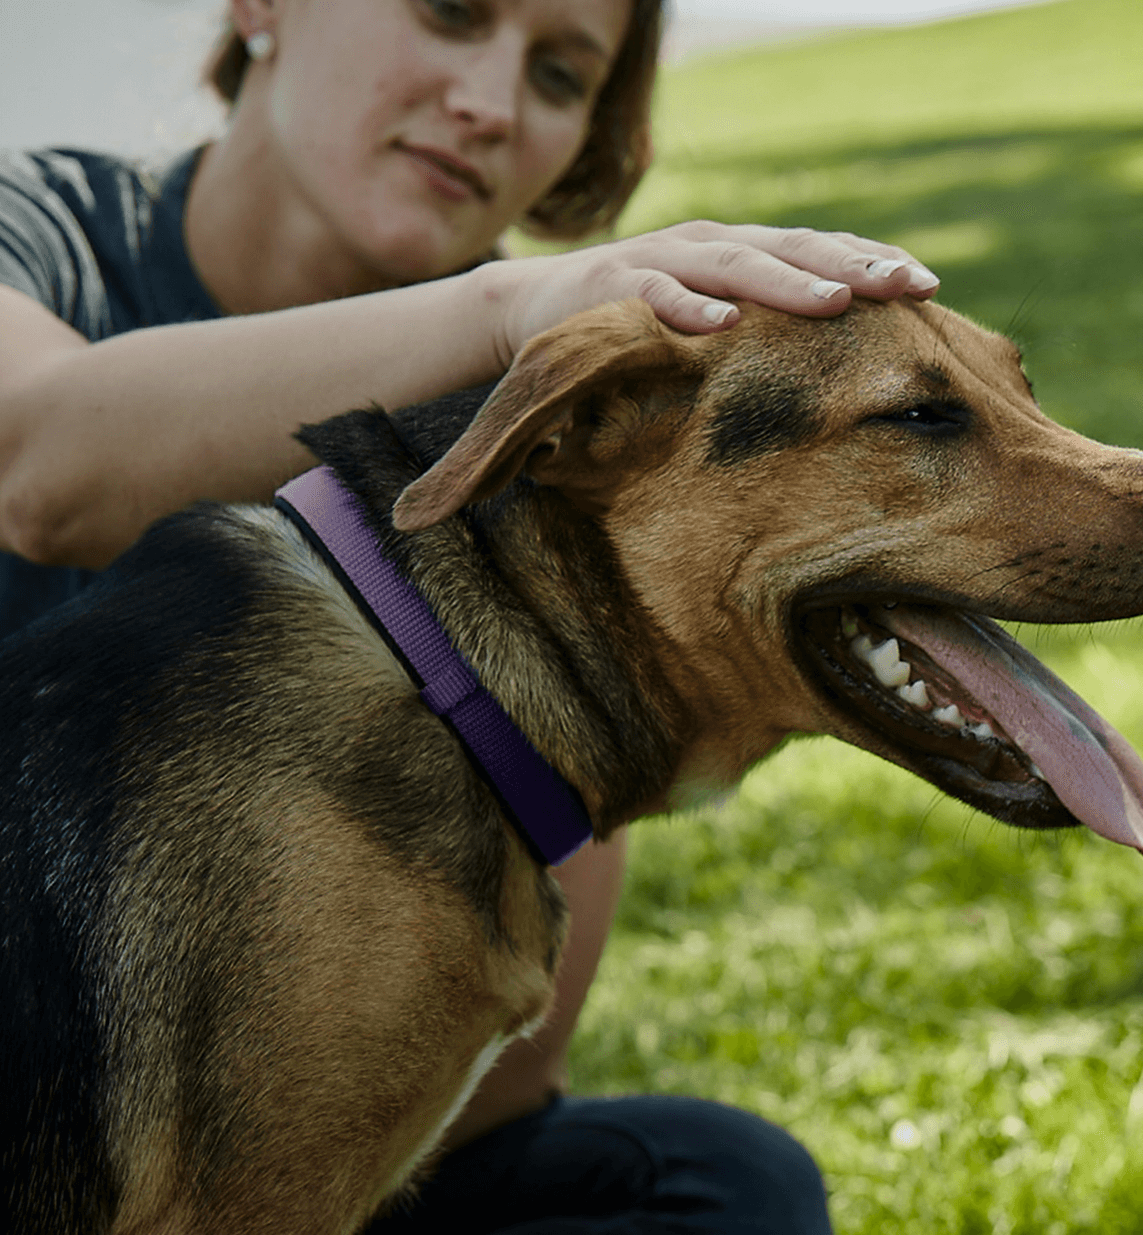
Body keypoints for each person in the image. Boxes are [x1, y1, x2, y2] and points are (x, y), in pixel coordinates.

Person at [0, 1, 938, 1229]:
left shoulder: (574, 411)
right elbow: (37, 460)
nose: (491, 104)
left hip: (314, 1133)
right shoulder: (41, 233)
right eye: (450, 12)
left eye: (560, 75)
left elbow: (504, 1075)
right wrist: (504, 317)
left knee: (717, 1181)